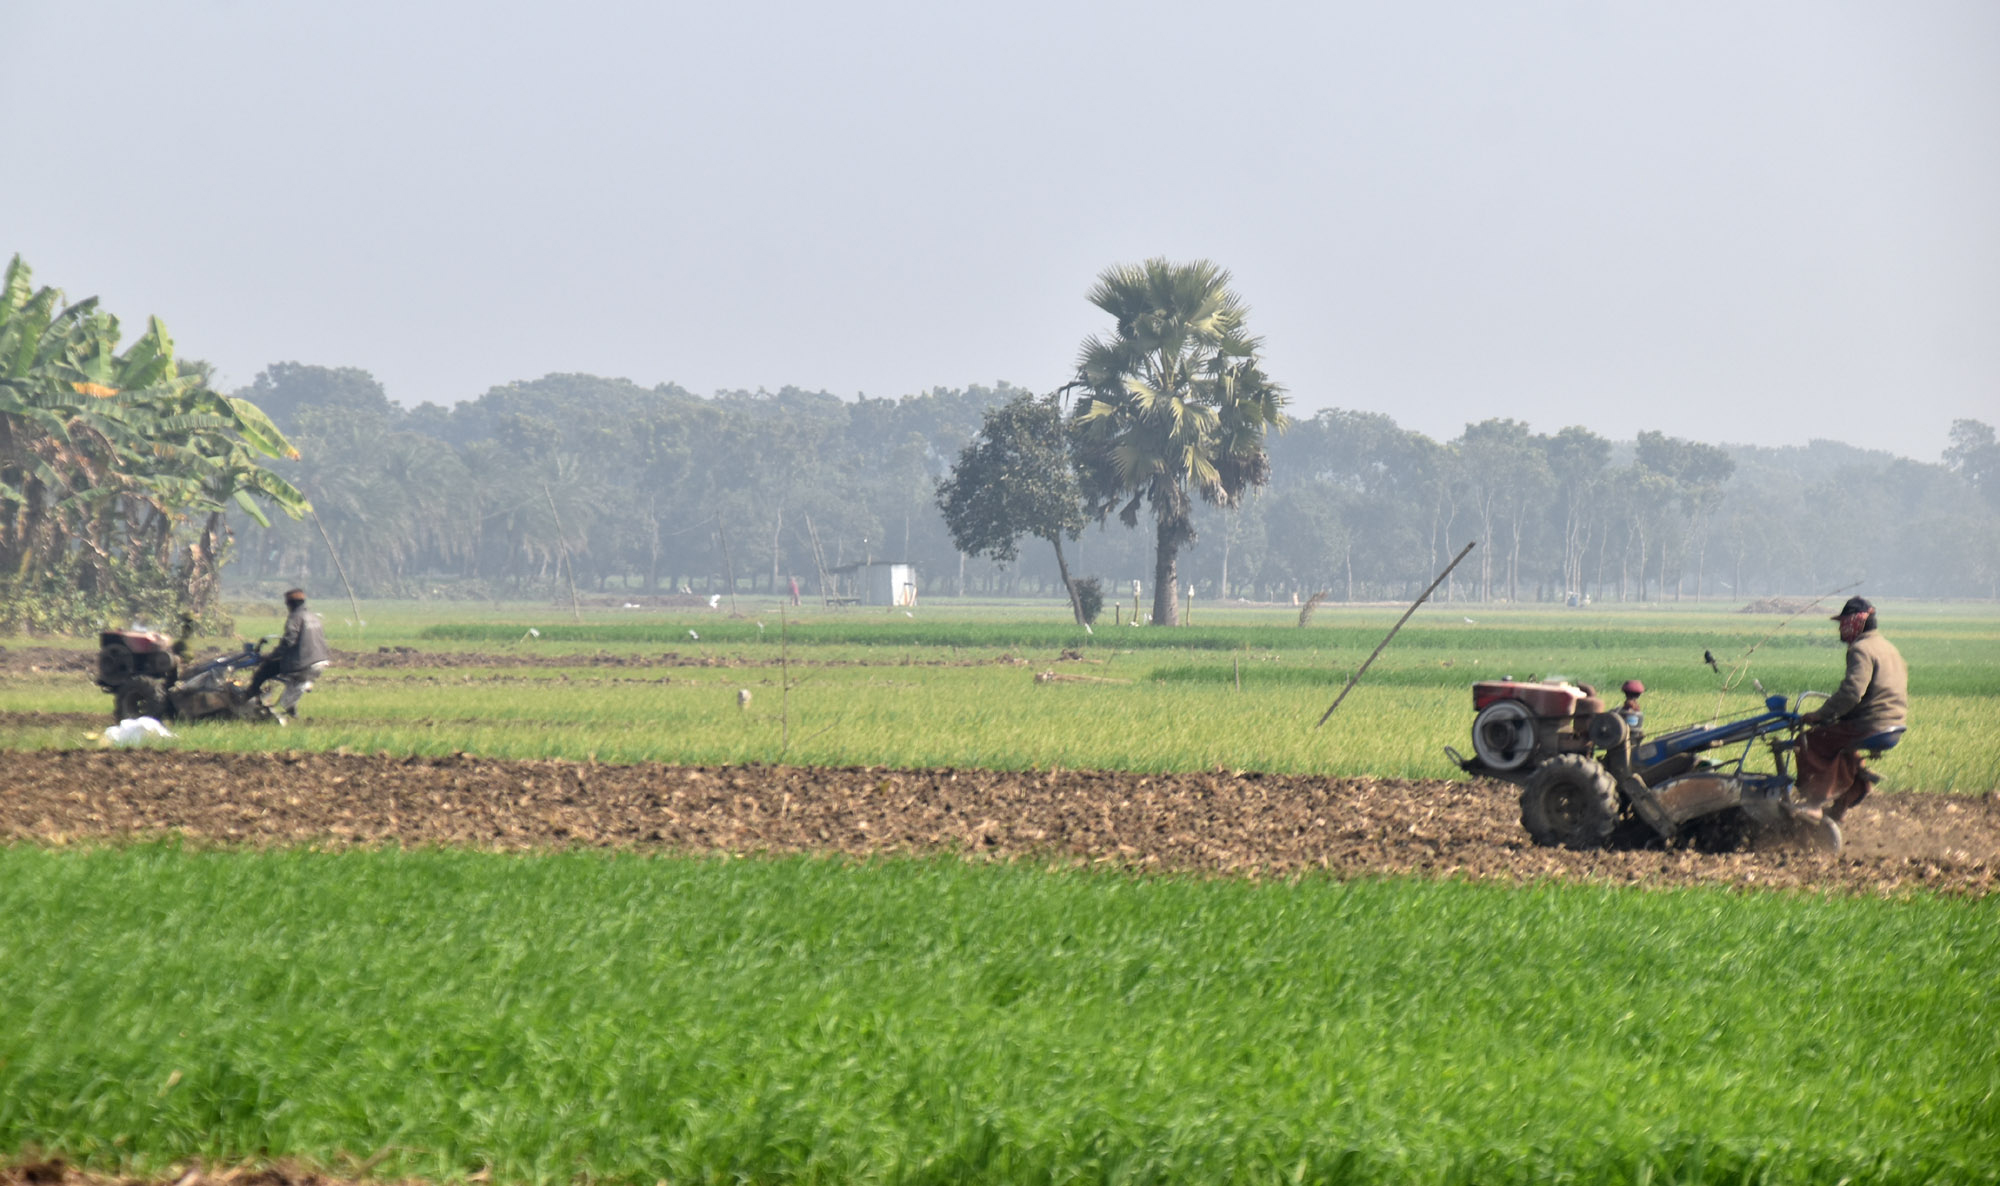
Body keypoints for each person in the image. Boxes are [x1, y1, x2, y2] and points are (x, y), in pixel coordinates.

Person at [1795, 596, 1907, 821]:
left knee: (1809, 741)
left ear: (1855, 622)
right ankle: (1846, 799)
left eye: (1843, 623)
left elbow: (1852, 693)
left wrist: (1821, 714)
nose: (1840, 629)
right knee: (1839, 744)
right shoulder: (1888, 648)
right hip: (1894, 723)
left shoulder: (1861, 649)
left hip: (1870, 723)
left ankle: (1814, 802)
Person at [248, 588, 331, 715]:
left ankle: (249, 695)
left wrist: (272, 656)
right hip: (321, 659)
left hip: (304, 661)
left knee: (264, 670)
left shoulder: (295, 617)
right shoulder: (313, 616)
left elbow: (288, 641)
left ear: (290, 603)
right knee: (293, 683)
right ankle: (289, 707)